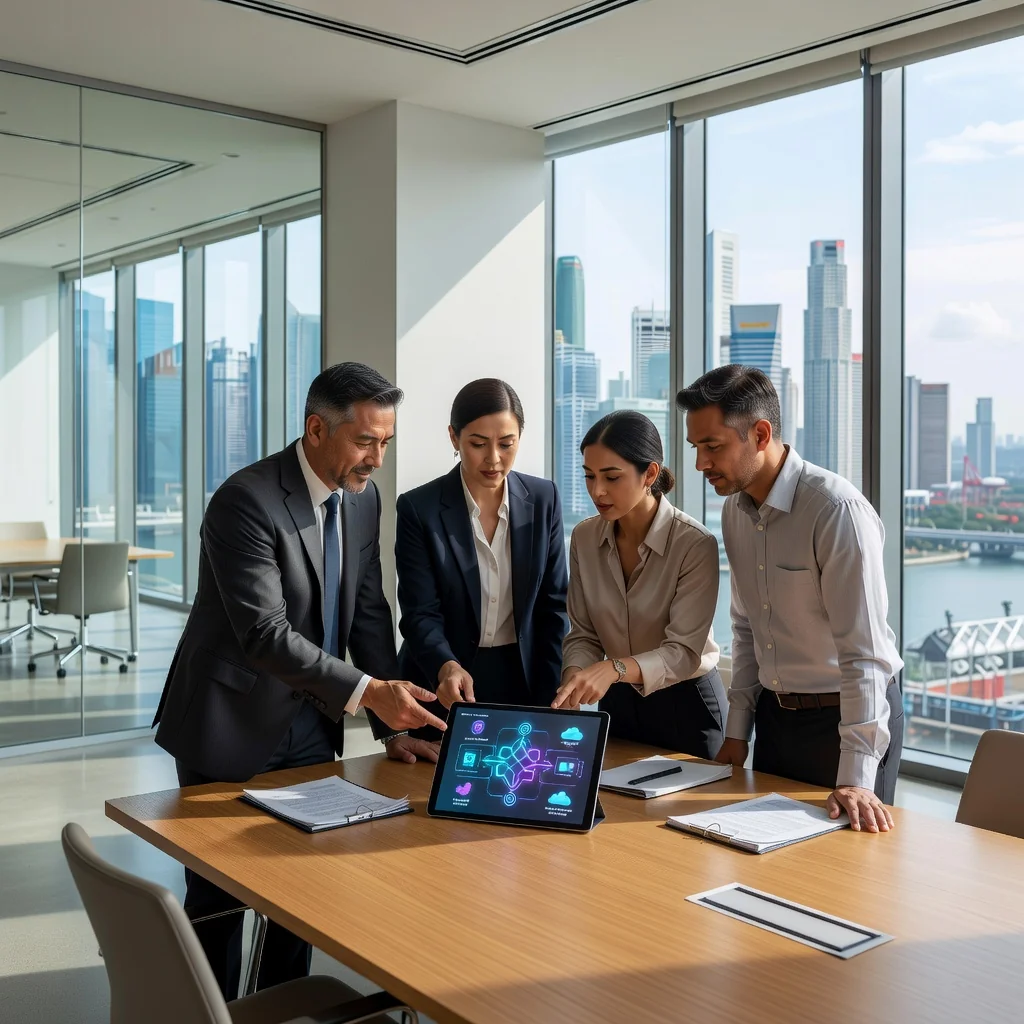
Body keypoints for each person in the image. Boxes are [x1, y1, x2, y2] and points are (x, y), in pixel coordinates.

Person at [153, 361, 446, 1000]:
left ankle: (278, 1012)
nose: (377, 457)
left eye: (386, 443)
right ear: (316, 429)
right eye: (365, 441)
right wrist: (371, 693)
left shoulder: (363, 501)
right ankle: (210, 1013)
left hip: (312, 723)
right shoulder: (245, 500)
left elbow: (369, 617)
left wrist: (387, 726)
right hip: (229, 721)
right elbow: (265, 634)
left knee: (305, 888)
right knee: (219, 896)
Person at [677, 364, 904, 834]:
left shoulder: (836, 511)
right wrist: (738, 730)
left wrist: (858, 777)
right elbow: (746, 628)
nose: (700, 464)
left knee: (846, 876)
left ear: (760, 434)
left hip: (850, 718)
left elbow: (865, 654)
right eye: (696, 447)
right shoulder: (735, 512)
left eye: (712, 447)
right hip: (777, 719)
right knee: (765, 859)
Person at [389, 378, 569, 763]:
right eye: (477, 444)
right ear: (454, 438)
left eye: (507, 443)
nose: (493, 459)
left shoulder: (543, 499)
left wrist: (551, 699)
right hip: (444, 682)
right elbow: (420, 612)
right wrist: (444, 665)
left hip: (522, 680)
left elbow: (554, 608)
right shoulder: (419, 508)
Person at [555, 410, 726, 757]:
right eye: (589, 476)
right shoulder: (585, 538)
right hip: (619, 703)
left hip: (687, 706)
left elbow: (682, 653)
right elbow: (584, 633)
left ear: (649, 473)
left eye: (612, 477)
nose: (597, 491)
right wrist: (574, 681)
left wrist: (613, 668)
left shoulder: (694, 544)